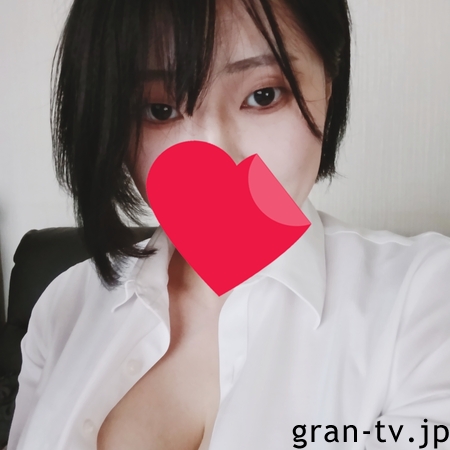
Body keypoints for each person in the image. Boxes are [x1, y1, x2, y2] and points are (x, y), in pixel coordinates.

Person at [7, 0, 450, 449]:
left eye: (264, 95)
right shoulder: (62, 308)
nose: (215, 156)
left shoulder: (425, 299)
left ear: (328, 82)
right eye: (159, 110)